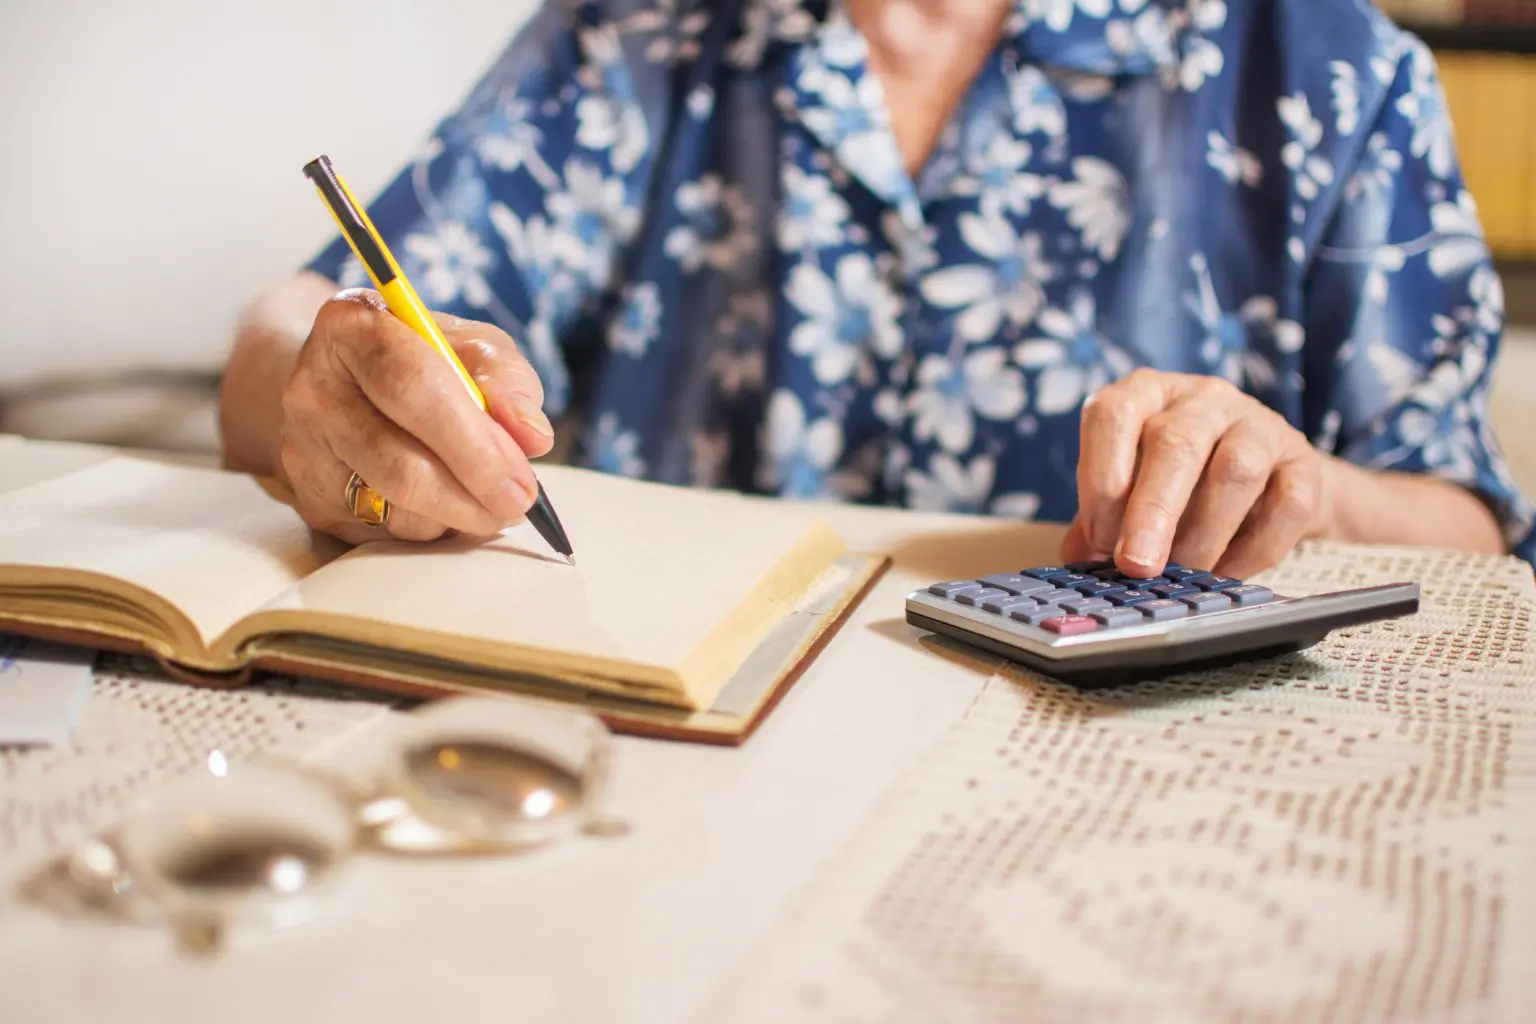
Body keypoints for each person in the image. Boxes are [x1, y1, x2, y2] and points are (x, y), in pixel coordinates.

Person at [218, 0, 1534, 580]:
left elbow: (1471, 528)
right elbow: (293, 336)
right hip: (674, 769)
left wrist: (1290, 488)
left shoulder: (1330, 69)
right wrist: (330, 386)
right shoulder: (632, 31)